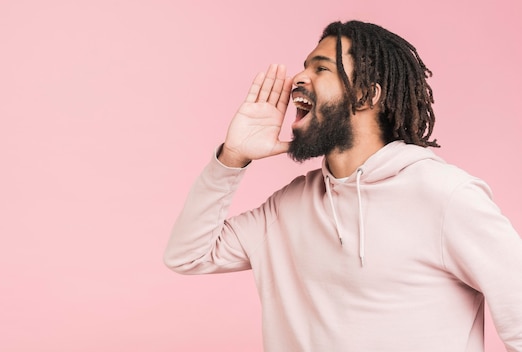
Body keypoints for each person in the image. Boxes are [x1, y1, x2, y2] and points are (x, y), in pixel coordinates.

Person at [163, 20, 522, 352]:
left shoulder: (446, 196)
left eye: (320, 68)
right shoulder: (287, 208)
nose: (297, 80)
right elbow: (187, 255)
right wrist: (232, 158)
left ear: (367, 96)